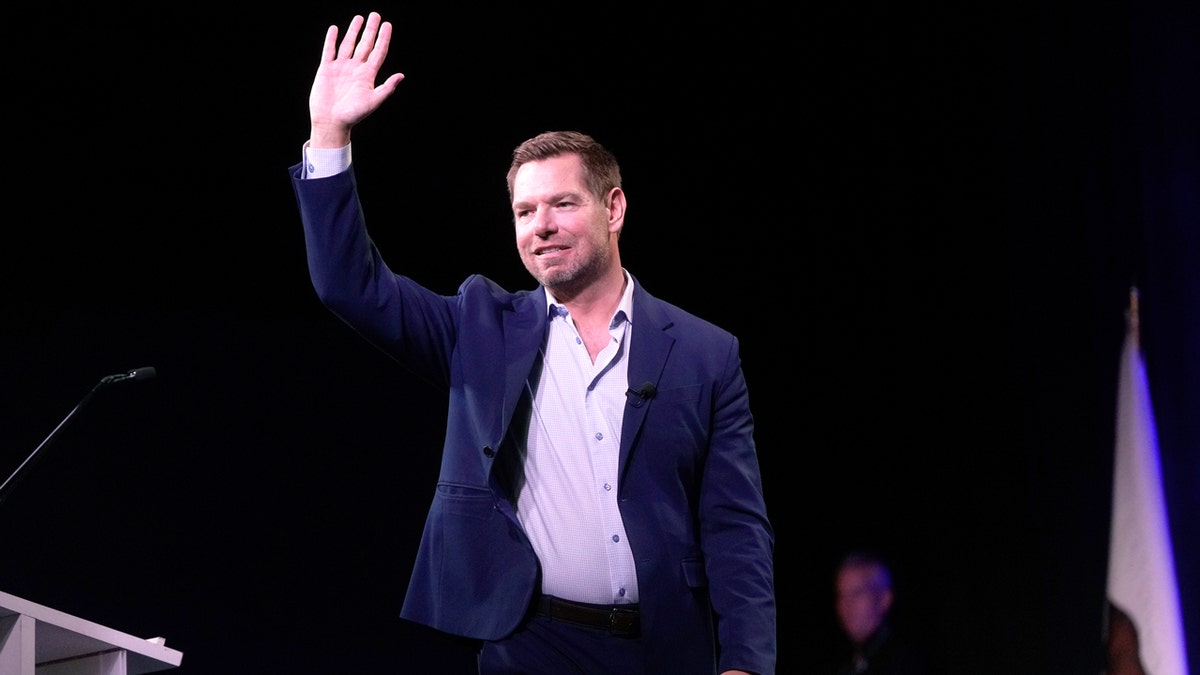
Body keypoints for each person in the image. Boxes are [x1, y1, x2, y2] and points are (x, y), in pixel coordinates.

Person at [288, 12, 776, 675]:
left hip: (667, 651)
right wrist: (329, 133)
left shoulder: (705, 353)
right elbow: (350, 285)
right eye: (524, 211)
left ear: (614, 209)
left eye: (562, 205)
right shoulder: (480, 326)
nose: (540, 226)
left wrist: (745, 662)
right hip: (531, 645)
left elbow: (736, 527)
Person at [832, 551, 926, 675]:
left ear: (884, 599)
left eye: (857, 593)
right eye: (841, 595)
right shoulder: (849, 664)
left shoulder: (905, 663)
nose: (846, 604)